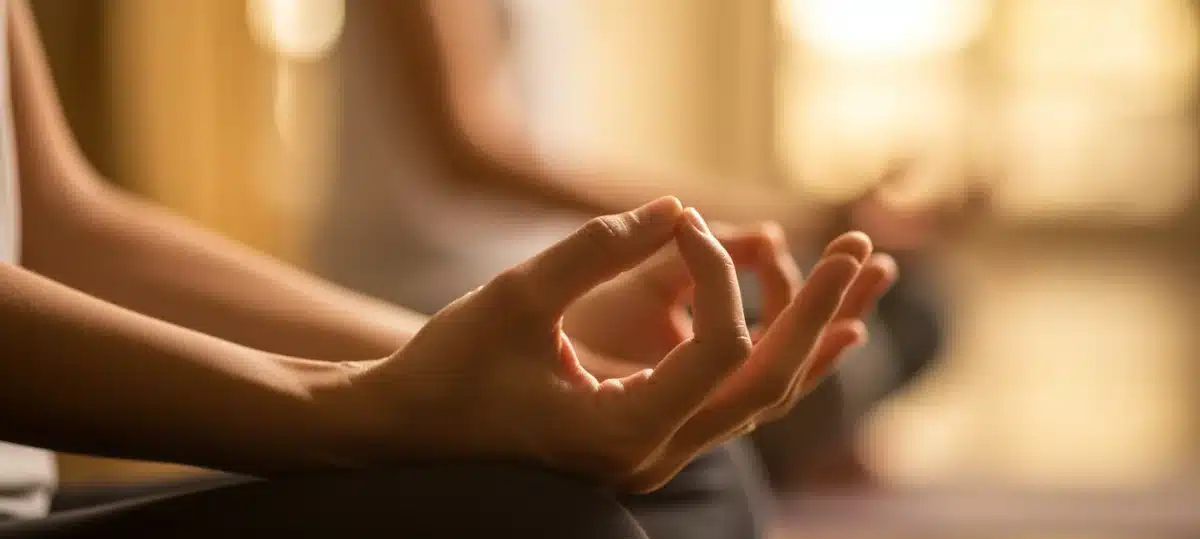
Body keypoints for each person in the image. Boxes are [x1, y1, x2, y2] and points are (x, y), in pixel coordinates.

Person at [0, 0, 897, 539]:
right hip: (427, 283)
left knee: (704, 481)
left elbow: (62, 227)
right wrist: (355, 407)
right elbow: (475, 149)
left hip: (459, 308)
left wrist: (547, 361)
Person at [312, 0, 974, 490]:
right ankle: (803, 444)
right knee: (809, 380)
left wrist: (810, 225)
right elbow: (473, 156)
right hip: (439, 296)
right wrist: (791, 219)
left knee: (908, 305)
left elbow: (550, 157)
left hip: (548, 274)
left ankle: (800, 443)